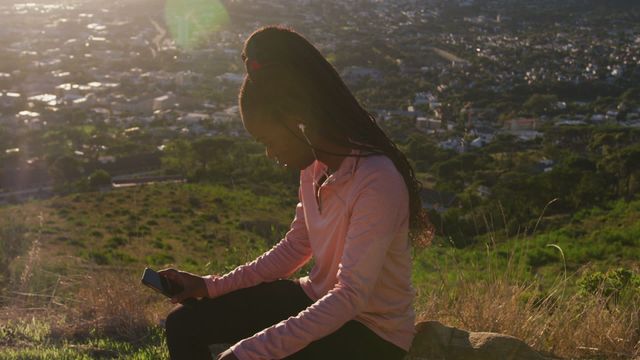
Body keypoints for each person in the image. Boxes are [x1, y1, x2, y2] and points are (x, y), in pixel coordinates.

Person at [159, 25, 432, 360]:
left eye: (268, 141)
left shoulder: (377, 181)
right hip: (318, 298)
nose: (270, 154)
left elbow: (350, 296)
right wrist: (209, 285)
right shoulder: (315, 168)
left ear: (299, 120)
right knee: (183, 326)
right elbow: (296, 246)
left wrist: (250, 352)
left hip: (371, 332)